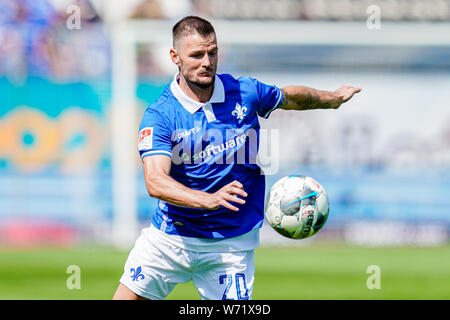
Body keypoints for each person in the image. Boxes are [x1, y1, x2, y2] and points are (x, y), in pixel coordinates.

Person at [113, 16, 361, 300]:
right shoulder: (160, 115)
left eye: (212, 52)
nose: (207, 62)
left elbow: (290, 97)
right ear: (175, 57)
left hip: (231, 246)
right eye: (196, 54)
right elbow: (155, 181)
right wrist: (209, 199)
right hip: (171, 238)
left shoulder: (244, 91)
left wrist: (331, 99)